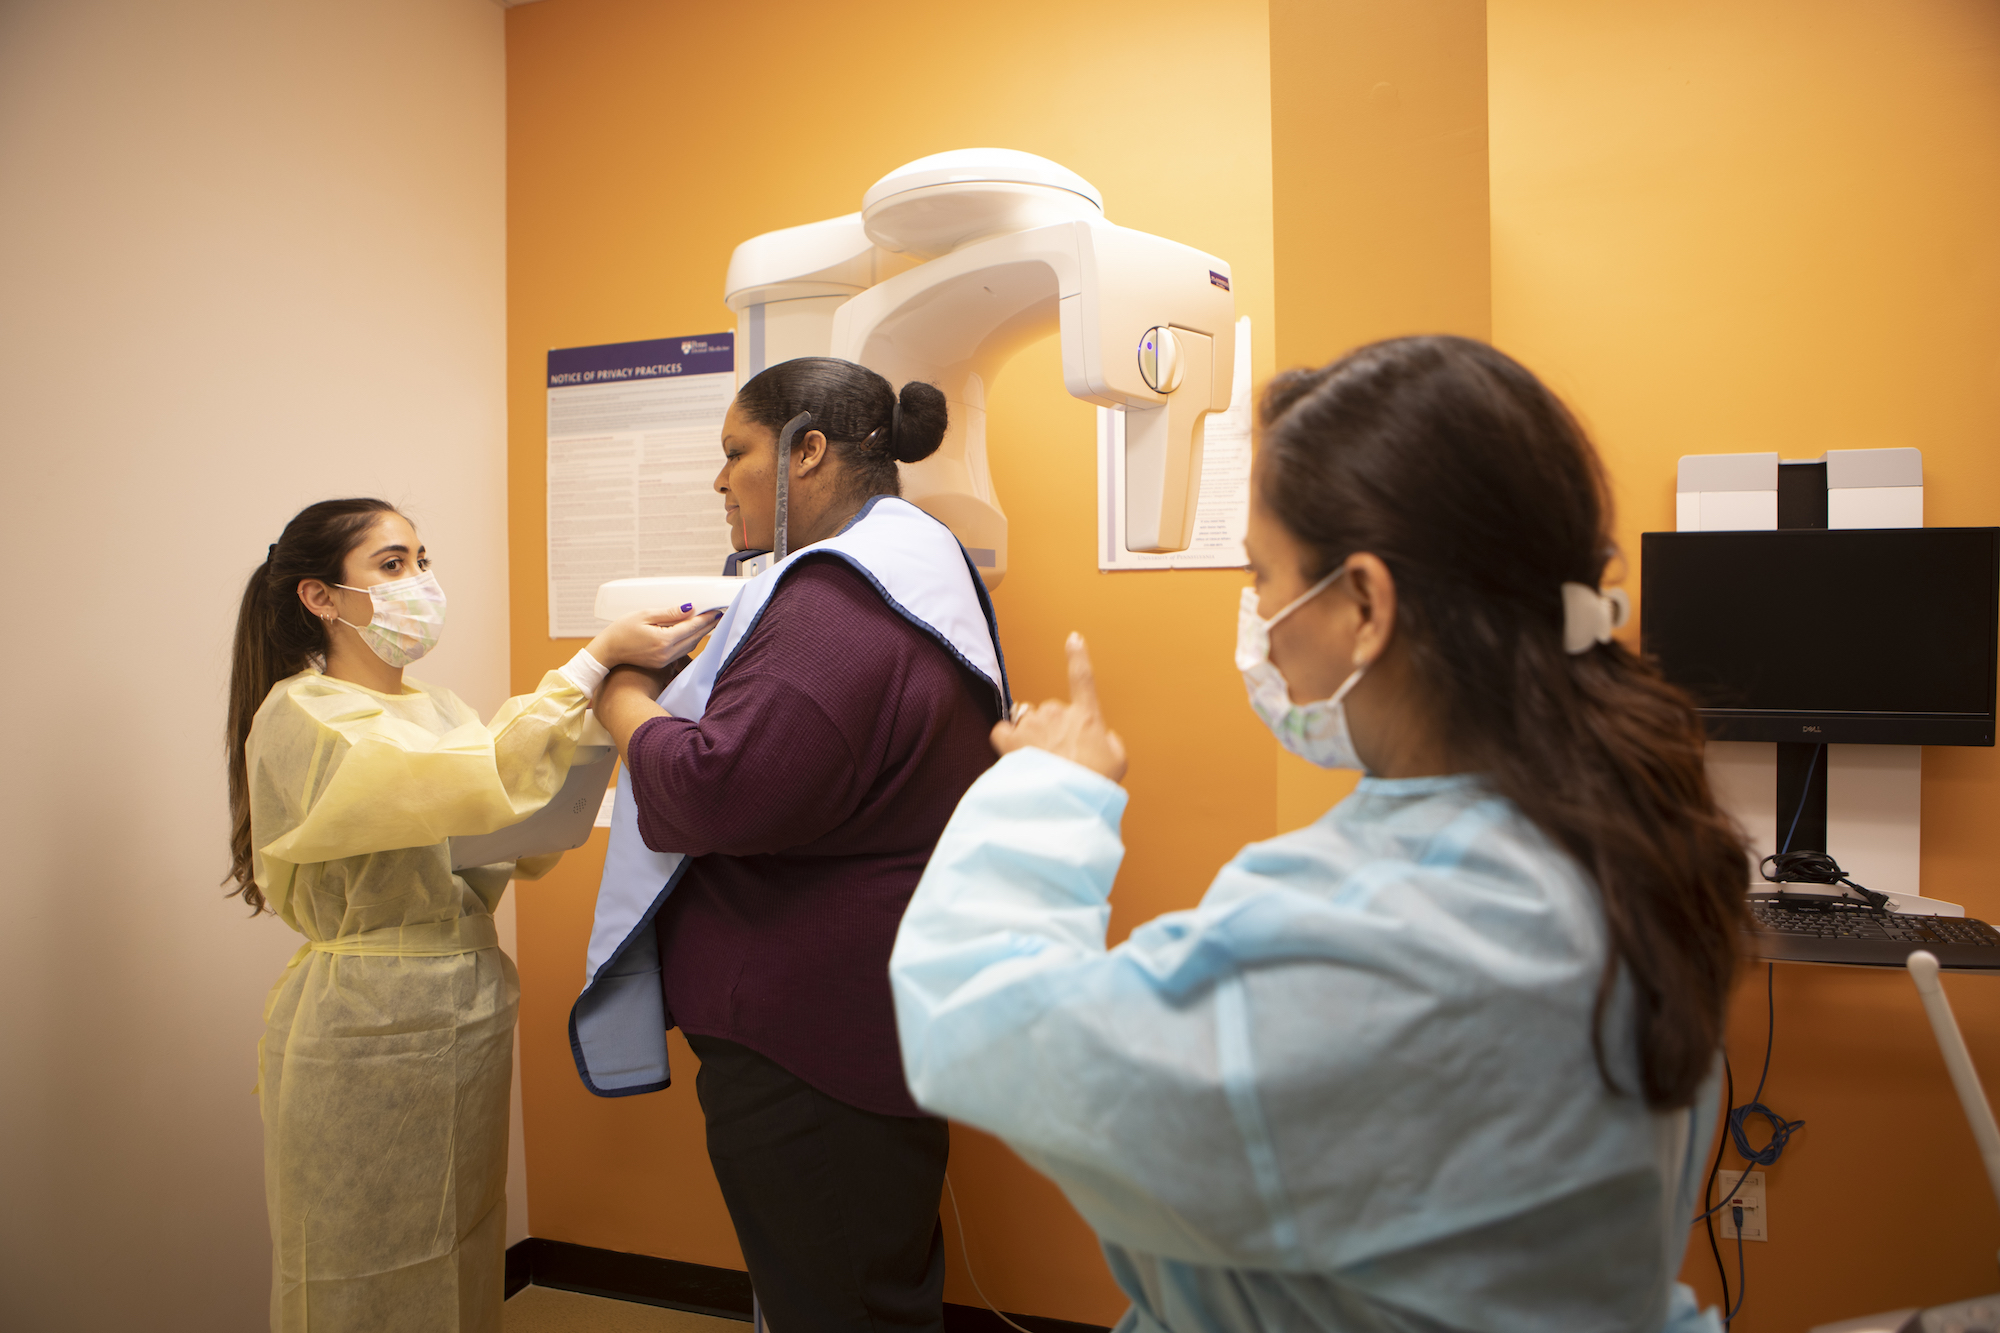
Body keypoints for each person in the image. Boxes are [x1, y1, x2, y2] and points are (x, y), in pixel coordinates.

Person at [889, 336, 1750, 1333]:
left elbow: (979, 1028)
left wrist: (1052, 788)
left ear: (1365, 603)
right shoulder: (1618, 834)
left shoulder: (1383, 935)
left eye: (1263, 575)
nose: (1258, 616)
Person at [579, 358, 1010, 1333]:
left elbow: (713, 791)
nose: (719, 479)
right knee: (869, 1282)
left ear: (806, 450)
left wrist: (622, 697)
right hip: (871, 1007)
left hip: (808, 1040)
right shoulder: (919, 568)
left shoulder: (836, 602)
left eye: (736, 451)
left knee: (836, 1300)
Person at [226, 498, 714, 1333]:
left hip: (468, 1004)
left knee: (463, 1237)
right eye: (392, 564)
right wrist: (593, 661)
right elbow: (472, 773)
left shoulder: (440, 708)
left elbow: (498, 820)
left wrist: (600, 729)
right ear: (320, 596)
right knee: (356, 1260)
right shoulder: (305, 714)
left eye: (422, 559)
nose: (420, 580)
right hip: (365, 1020)